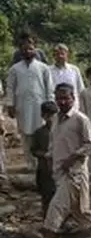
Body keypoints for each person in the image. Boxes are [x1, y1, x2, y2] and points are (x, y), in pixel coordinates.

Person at [28, 84, 91, 238]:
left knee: (55, 207)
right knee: (82, 211)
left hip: (75, 173)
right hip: (58, 172)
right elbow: (53, 145)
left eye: (66, 98)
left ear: (73, 98)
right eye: (59, 98)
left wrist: (72, 158)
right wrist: (50, 159)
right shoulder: (56, 120)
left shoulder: (80, 119)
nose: (62, 101)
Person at [7, 36, 56, 172]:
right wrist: (10, 104)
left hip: (40, 107)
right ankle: (30, 165)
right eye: (24, 48)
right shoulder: (15, 69)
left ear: (35, 49)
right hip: (22, 107)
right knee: (25, 135)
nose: (28, 51)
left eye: (30, 48)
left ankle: (44, 164)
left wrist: (50, 104)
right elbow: (10, 88)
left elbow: (49, 87)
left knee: (41, 134)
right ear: (20, 50)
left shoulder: (43, 68)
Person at [30, 101, 58, 214]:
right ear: (43, 116)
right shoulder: (39, 133)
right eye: (48, 116)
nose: (50, 118)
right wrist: (45, 154)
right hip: (45, 170)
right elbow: (33, 150)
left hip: (60, 170)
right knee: (46, 197)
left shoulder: (63, 130)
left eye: (53, 115)